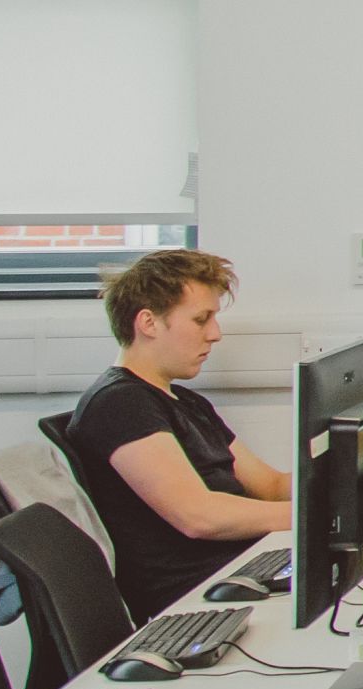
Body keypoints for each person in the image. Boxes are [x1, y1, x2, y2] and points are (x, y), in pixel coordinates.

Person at [63, 248, 293, 619]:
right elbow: (199, 517)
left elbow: (270, 485)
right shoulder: (120, 404)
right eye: (201, 320)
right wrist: (316, 517)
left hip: (241, 573)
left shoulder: (185, 401)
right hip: (198, 602)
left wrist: (352, 480)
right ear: (148, 323)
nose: (215, 334)